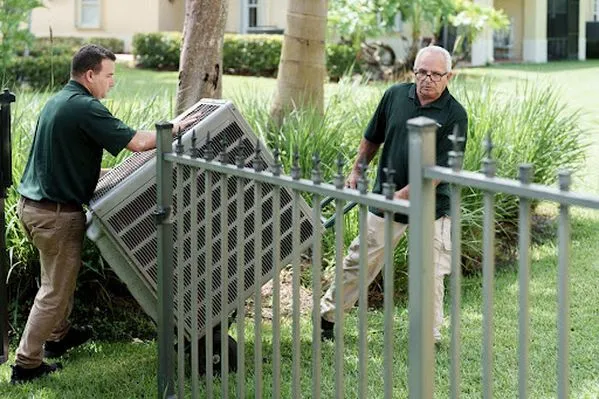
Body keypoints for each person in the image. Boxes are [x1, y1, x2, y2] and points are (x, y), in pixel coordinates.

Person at [10, 44, 197, 384]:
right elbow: (139, 143)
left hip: (34, 207)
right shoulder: (84, 107)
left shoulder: (59, 101)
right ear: (90, 75)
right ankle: (26, 364)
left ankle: (59, 336)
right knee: (54, 290)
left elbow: (62, 159)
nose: (113, 82)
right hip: (56, 215)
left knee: (57, 281)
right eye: (109, 75)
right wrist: (176, 126)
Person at [319, 45, 468, 343]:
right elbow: (372, 136)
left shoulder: (455, 115)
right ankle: (328, 318)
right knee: (359, 261)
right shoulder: (395, 96)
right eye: (421, 72)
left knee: (430, 273)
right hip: (386, 198)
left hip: (432, 206)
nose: (427, 79)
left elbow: (437, 172)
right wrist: (357, 169)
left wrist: (402, 195)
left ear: (449, 76)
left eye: (435, 74)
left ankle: (428, 335)